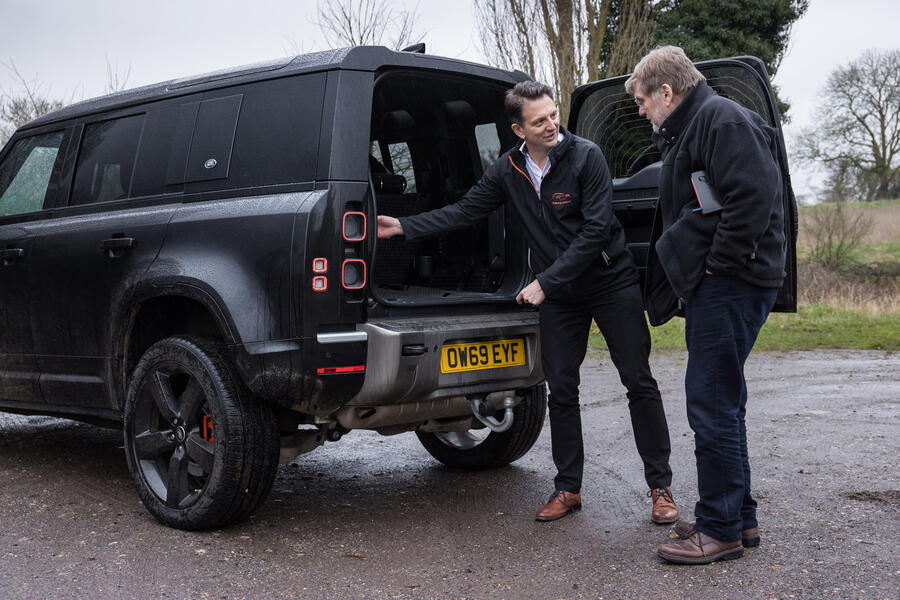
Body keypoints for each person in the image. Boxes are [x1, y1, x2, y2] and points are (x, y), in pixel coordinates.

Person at [377, 81, 678, 525]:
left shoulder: (586, 156)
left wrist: (544, 282)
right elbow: (465, 210)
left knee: (638, 381)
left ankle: (660, 487)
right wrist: (404, 227)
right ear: (519, 130)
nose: (552, 125)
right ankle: (568, 488)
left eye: (553, 115)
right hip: (561, 295)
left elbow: (595, 231)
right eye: (540, 121)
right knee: (562, 389)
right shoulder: (508, 169)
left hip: (609, 282)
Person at [624, 46, 787, 564]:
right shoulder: (700, 124)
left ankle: (719, 530)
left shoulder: (721, 120)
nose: (642, 111)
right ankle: (739, 517)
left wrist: (719, 265)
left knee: (711, 403)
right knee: (724, 402)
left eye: (643, 101)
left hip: (731, 283)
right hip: (726, 283)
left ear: (666, 91)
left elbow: (753, 197)